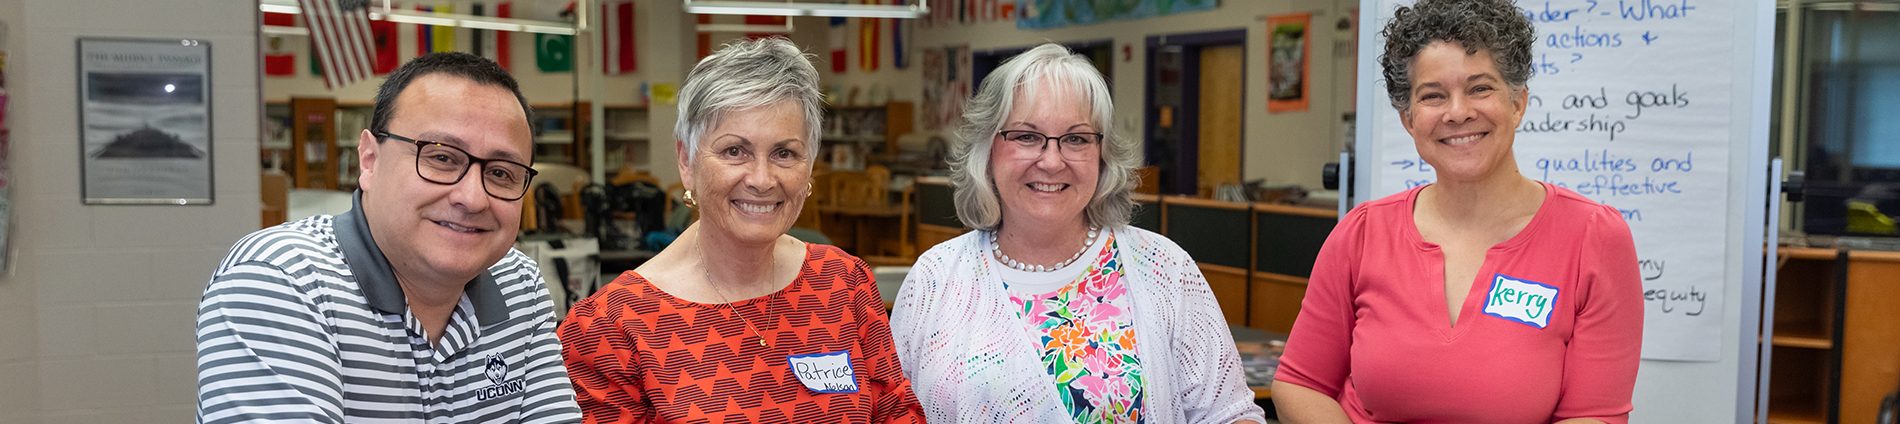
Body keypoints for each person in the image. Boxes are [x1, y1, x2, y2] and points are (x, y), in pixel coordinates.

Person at [1270, 0, 1644, 422]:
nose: (1458, 112)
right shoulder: (1361, 233)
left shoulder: (1593, 237)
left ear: (1518, 103)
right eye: (1433, 95)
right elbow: (1300, 384)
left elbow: (1595, 415)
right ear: (1409, 119)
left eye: (1480, 88)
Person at [889, 43, 1266, 423]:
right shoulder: (935, 278)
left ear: (1102, 156)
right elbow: (891, 412)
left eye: (1076, 139)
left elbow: (1230, 413)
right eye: (1026, 136)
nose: (1052, 161)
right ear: (987, 150)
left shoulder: (1164, 268)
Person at [556, 37, 925, 423]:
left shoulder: (843, 283)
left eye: (785, 153)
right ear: (686, 161)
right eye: (735, 151)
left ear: (809, 165)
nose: (762, 179)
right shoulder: (611, 326)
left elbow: (897, 413)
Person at [195, 52, 580, 422]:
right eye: (442, 157)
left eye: (501, 172)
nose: (472, 198)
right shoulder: (281, 280)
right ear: (369, 160)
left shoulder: (517, 282)